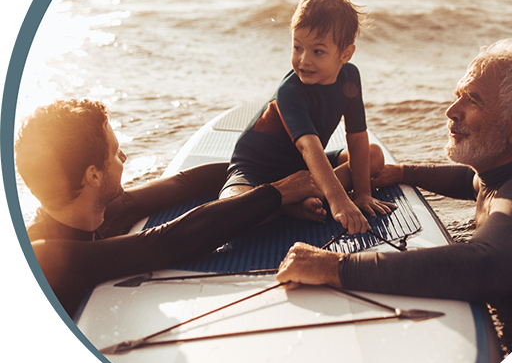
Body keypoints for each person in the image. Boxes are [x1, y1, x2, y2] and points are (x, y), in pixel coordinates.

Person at [276, 39, 512, 352]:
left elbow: (485, 267)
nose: (451, 111)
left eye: (473, 101)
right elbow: (471, 181)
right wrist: (403, 173)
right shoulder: (507, 171)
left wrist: (335, 267)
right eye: (457, 97)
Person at [15, 99, 324, 319]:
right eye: (113, 151)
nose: (123, 155)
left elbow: (185, 185)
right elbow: (169, 241)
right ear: (93, 175)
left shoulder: (97, 213)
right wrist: (278, 193)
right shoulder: (42, 259)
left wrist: (319, 168)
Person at [220, 0, 394, 234]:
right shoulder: (290, 91)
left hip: (304, 170)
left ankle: (298, 198)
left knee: (373, 155)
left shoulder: (350, 77)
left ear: (345, 54)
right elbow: (309, 147)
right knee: (230, 212)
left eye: (318, 51)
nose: (304, 60)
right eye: (297, 47)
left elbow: (357, 136)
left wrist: (362, 194)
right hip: (257, 171)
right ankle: (286, 205)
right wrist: (339, 200)